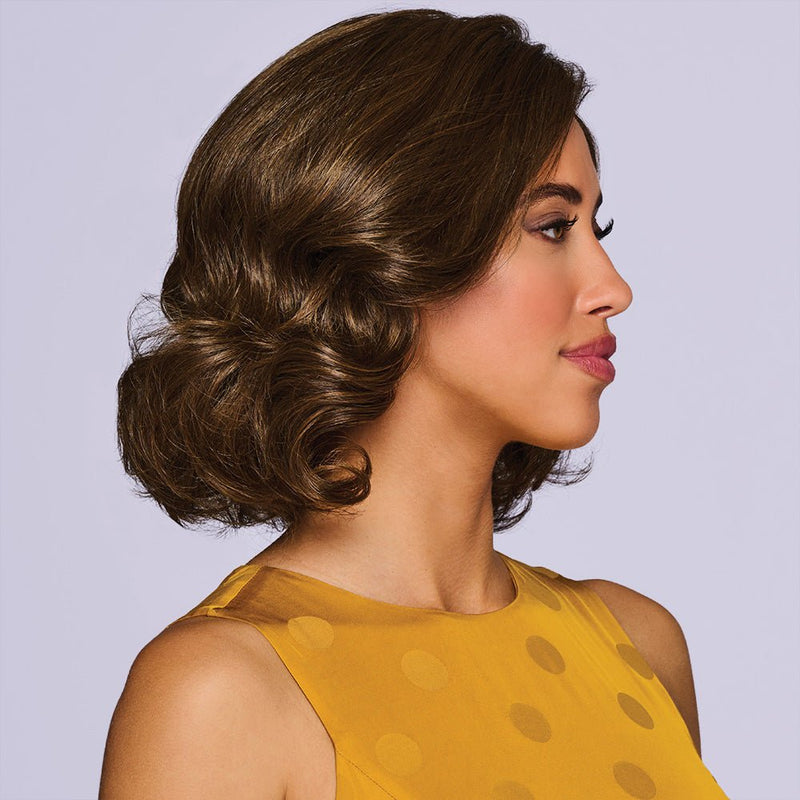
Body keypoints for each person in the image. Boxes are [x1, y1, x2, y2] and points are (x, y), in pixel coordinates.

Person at [99, 9, 729, 799]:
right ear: (386, 253)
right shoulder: (223, 693)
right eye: (552, 227)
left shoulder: (637, 645)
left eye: (595, 229)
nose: (613, 288)